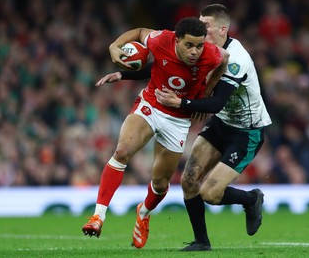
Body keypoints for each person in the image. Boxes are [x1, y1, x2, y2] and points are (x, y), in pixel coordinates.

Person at [99, 4, 272, 251]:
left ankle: (250, 198)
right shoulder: (201, 50)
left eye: (207, 25)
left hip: (246, 132)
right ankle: (202, 242)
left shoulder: (237, 59)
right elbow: (163, 66)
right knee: (189, 180)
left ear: (223, 29)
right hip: (221, 123)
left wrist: (183, 102)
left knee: (210, 193)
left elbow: (217, 102)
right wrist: (123, 75)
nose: (201, 29)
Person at [81, 17, 229, 250]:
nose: (195, 52)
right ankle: (98, 216)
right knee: (122, 151)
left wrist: (207, 89)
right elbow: (139, 31)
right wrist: (114, 46)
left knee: (160, 183)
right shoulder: (161, 39)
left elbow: (225, 59)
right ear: (177, 40)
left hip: (178, 120)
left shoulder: (212, 54)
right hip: (151, 105)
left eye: (199, 46)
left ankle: (144, 211)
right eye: (189, 45)